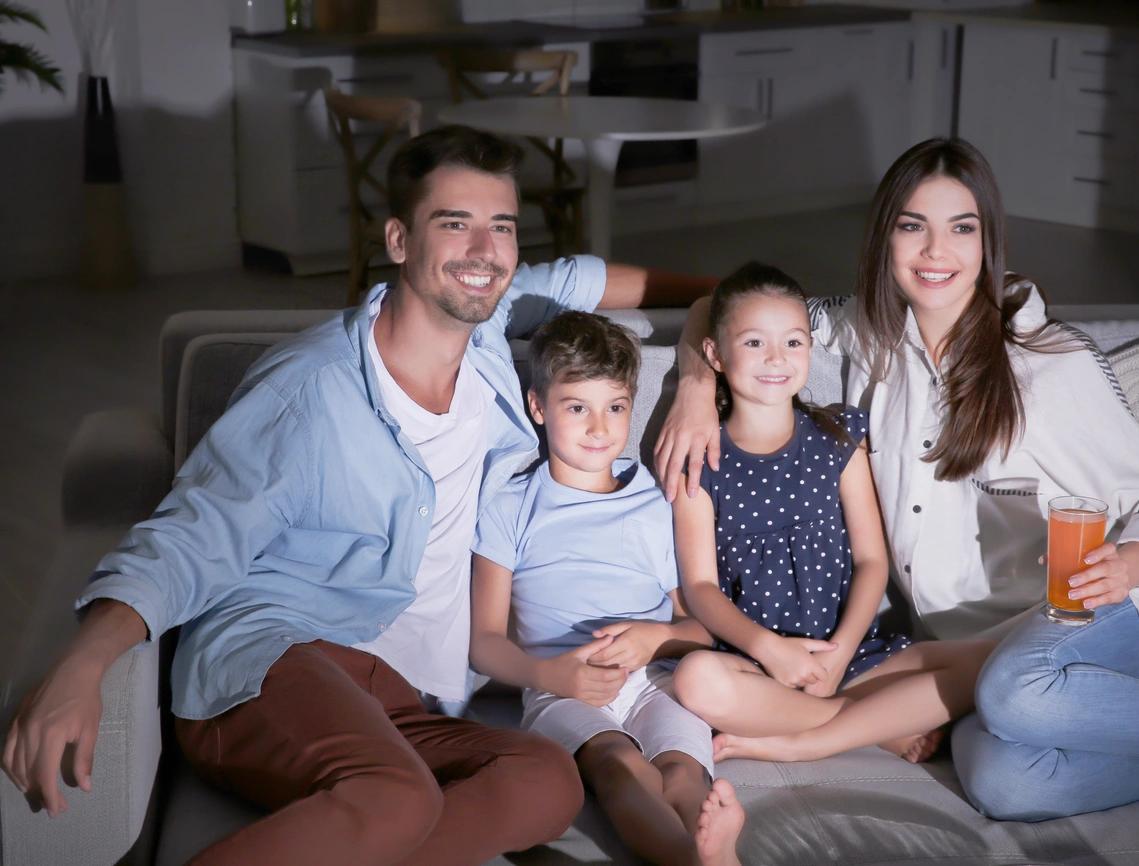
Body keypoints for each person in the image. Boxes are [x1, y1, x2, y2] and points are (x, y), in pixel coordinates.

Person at [2, 125, 714, 866]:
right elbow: (192, 532)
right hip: (276, 658)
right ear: (400, 239)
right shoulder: (309, 390)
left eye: (501, 226)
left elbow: (659, 289)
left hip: (407, 699)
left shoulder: (498, 324)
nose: (484, 250)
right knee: (397, 796)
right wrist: (82, 663)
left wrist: (698, 366)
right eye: (454, 224)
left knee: (544, 778)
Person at [658, 138, 1139, 819]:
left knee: (1012, 690)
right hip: (964, 658)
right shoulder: (870, 333)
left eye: (961, 228)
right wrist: (697, 389)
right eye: (914, 226)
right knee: (1004, 785)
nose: (937, 252)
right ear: (886, 239)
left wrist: (1131, 564)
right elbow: (727, 308)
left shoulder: (1048, 361)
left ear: (987, 241)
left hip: (1086, 617)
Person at [668, 261, 995, 766]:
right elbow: (702, 590)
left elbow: (870, 561)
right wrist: (773, 652)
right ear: (714, 353)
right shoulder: (702, 461)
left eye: (793, 342)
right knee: (695, 681)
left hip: (851, 655)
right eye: (754, 343)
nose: (776, 358)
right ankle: (873, 722)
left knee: (995, 662)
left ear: (810, 348)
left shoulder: (837, 437)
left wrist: (840, 651)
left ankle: (813, 733)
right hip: (759, 668)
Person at [470, 310, 745, 866]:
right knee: (618, 763)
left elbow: (696, 630)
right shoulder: (510, 507)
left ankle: (712, 848)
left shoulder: (653, 500)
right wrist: (548, 674)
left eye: (615, 408)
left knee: (682, 772)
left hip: (655, 679)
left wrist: (653, 639)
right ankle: (693, 860)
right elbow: (483, 641)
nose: (600, 428)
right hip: (561, 686)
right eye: (578, 408)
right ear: (538, 408)